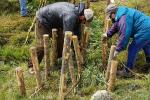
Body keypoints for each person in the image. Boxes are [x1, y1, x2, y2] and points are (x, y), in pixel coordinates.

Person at [28, 2, 93, 73]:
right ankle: (32, 66)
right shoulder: (70, 17)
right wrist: (76, 49)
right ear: (83, 17)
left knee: (60, 42)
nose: (84, 23)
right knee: (42, 46)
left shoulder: (78, 14)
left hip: (56, 21)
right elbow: (67, 37)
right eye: (85, 21)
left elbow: (76, 33)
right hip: (43, 20)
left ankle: (57, 61)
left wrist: (78, 47)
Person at [104, 4, 150, 77]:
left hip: (146, 30)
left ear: (113, 13)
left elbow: (125, 34)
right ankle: (149, 62)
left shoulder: (123, 18)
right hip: (147, 26)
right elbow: (116, 25)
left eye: (109, 16)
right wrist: (108, 34)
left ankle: (128, 71)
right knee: (146, 44)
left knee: (132, 48)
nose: (110, 17)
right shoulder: (121, 13)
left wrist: (118, 49)